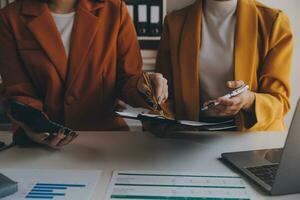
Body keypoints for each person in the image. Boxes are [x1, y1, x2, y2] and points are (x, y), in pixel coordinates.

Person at [0, 0, 168, 147]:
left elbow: (128, 78)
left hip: (106, 141)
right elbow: (19, 91)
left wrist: (143, 85)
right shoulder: (10, 18)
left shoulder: (114, 10)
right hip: (40, 145)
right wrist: (34, 127)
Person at [153, 0, 293, 133]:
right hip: (191, 135)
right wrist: (154, 114)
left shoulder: (274, 21)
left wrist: (249, 100)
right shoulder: (174, 23)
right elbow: (164, 94)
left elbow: (279, 102)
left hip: (253, 136)